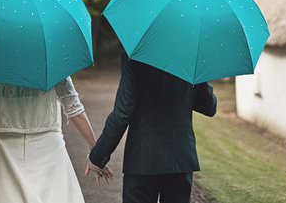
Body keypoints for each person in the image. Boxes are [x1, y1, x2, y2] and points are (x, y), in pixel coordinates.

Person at [0, 76, 110, 203]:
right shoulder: (54, 61)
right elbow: (74, 109)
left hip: (5, 145)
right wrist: (97, 151)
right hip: (48, 146)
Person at [86, 54, 217, 203]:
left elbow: (122, 113)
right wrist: (200, 75)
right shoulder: (191, 57)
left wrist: (98, 156)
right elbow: (209, 106)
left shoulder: (135, 56)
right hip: (180, 160)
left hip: (143, 159)